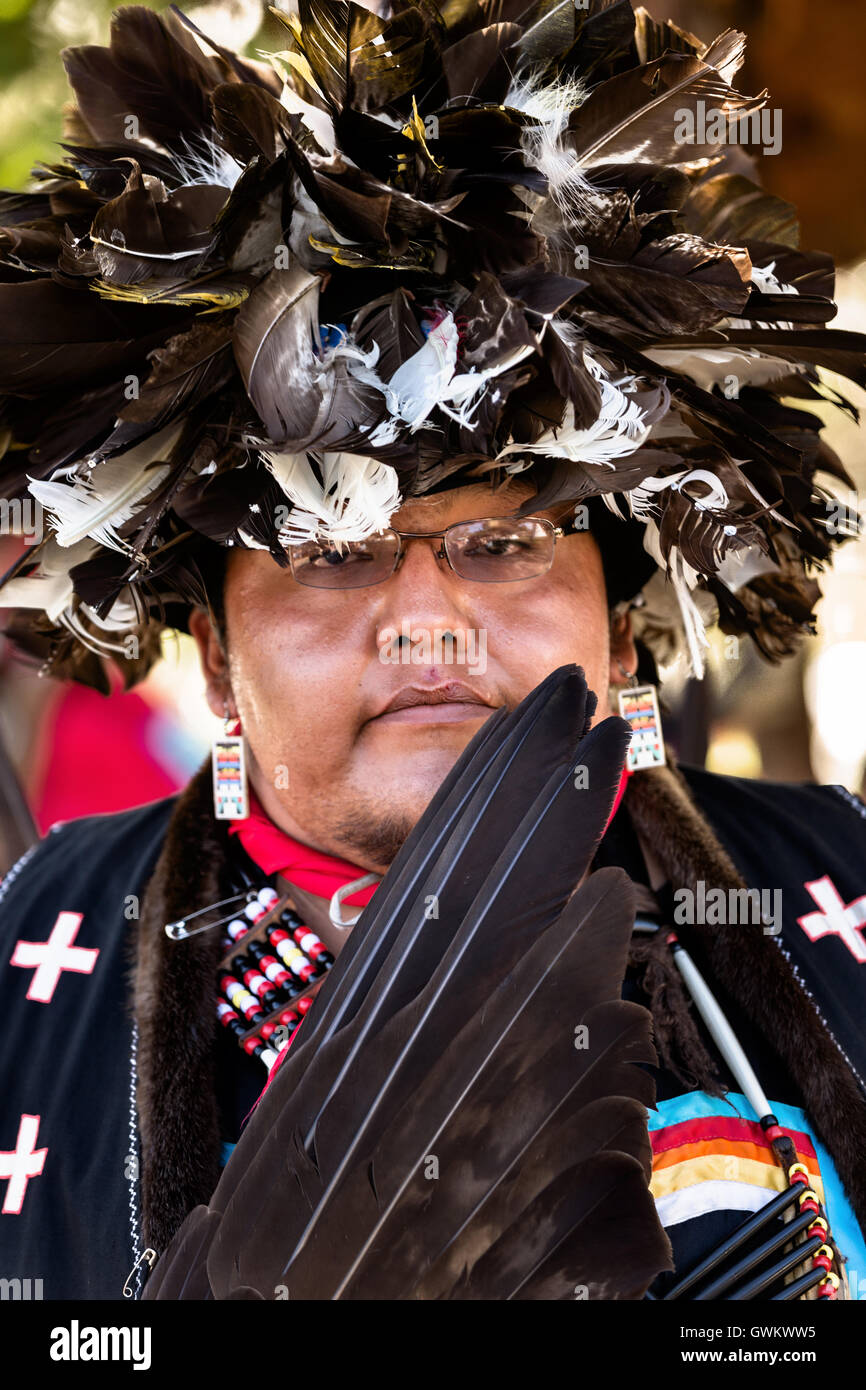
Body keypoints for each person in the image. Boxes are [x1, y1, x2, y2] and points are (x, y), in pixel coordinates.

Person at [0, 0, 864, 1301]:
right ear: (219, 658)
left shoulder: (836, 894)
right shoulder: (31, 965)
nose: (426, 619)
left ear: (619, 630)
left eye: (504, 544)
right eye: (329, 552)